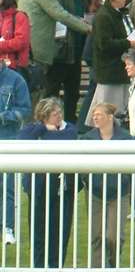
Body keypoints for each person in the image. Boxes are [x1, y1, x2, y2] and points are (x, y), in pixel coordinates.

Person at [20, 97, 77, 269]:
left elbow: (67, 138)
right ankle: (38, 266)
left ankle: (56, 265)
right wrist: (42, 128)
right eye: (54, 114)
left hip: (62, 188)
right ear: (44, 116)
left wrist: (48, 133)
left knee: (60, 230)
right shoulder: (34, 128)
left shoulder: (69, 129)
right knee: (38, 231)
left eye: (60, 112)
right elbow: (22, 138)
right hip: (39, 188)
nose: (59, 116)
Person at [78, 101, 133, 267]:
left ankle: (112, 265)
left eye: (99, 114)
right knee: (96, 236)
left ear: (110, 117)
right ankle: (98, 267)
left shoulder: (125, 138)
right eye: (94, 115)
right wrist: (87, 180)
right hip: (94, 193)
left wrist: (125, 181)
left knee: (114, 237)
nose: (95, 117)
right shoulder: (88, 138)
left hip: (119, 193)